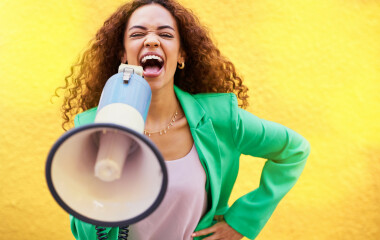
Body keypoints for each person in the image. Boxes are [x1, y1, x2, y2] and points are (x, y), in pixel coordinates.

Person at [57, 0, 310, 239]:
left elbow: (294, 150)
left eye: (165, 35)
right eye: (137, 34)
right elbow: (86, 234)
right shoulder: (93, 128)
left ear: (181, 56)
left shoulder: (220, 119)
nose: (152, 41)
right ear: (123, 55)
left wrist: (242, 220)